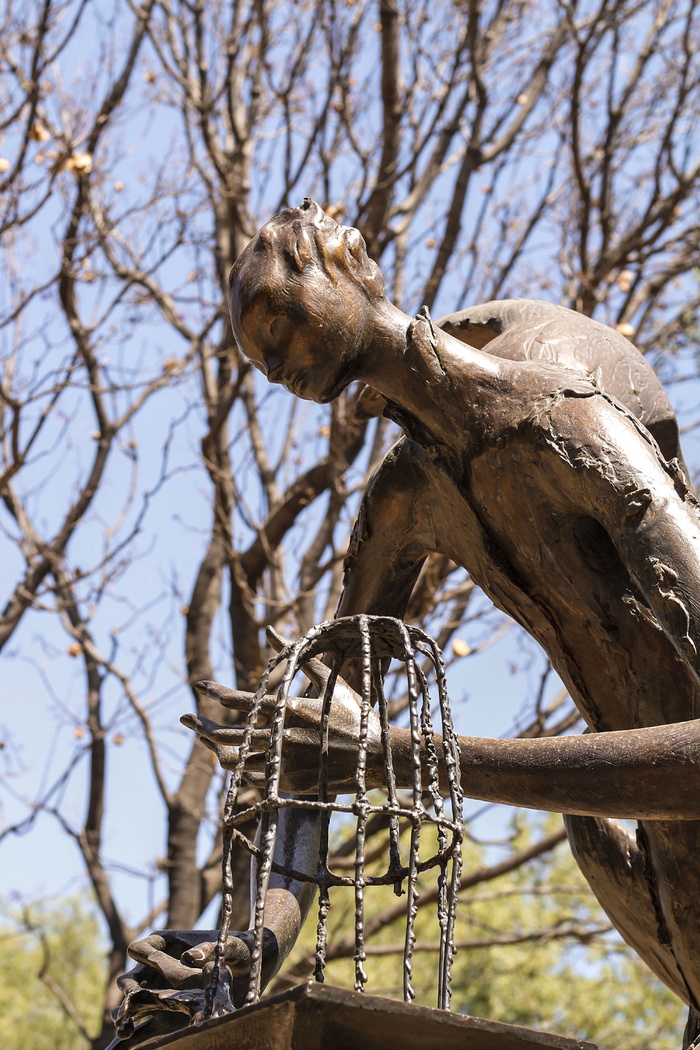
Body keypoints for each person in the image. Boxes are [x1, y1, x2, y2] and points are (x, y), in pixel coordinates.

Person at [116, 200, 700, 1046]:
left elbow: (361, 754)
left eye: (278, 320)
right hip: (665, 885)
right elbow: (313, 758)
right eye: (256, 351)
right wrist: (248, 949)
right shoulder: (406, 498)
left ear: (352, 263)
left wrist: (401, 759)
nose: (272, 361)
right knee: (594, 830)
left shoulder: (564, 421)